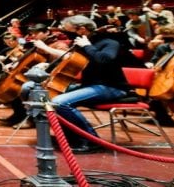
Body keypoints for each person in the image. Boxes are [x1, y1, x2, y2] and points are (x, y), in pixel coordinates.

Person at [51, 15, 129, 154]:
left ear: (82, 30)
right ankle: (70, 137)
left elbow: (104, 60)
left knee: (60, 102)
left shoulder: (109, 42)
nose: (66, 35)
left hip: (111, 87)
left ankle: (92, 141)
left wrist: (87, 46)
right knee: (45, 94)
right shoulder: (80, 45)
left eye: (69, 31)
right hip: (91, 85)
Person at [144, 23, 174, 126]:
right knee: (149, 90)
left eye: (170, 36)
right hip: (164, 76)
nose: (167, 39)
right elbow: (154, 61)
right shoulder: (162, 48)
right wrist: (150, 64)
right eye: (165, 36)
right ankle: (163, 116)